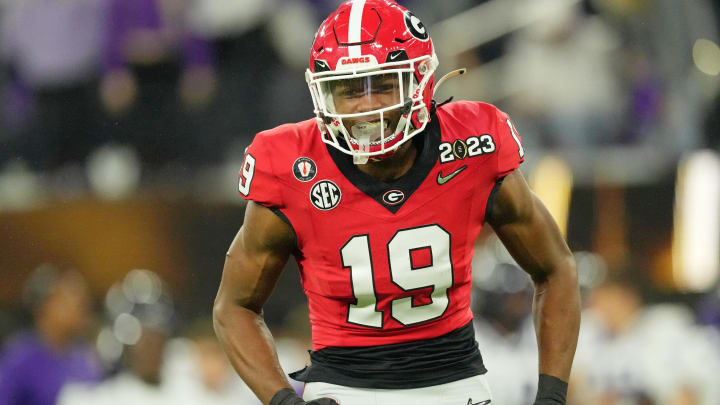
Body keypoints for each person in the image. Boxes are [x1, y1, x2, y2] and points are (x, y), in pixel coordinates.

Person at [212, 1, 580, 405]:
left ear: (421, 81)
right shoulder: (289, 165)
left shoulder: (473, 143)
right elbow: (235, 306)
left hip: (455, 386)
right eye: (349, 89)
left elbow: (555, 268)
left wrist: (552, 397)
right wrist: (284, 400)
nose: (367, 106)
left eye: (383, 84)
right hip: (343, 389)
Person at [0, 265, 102, 405]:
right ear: (46, 305)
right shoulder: (20, 358)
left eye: (83, 303)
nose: (81, 310)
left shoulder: (85, 356)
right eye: (71, 302)